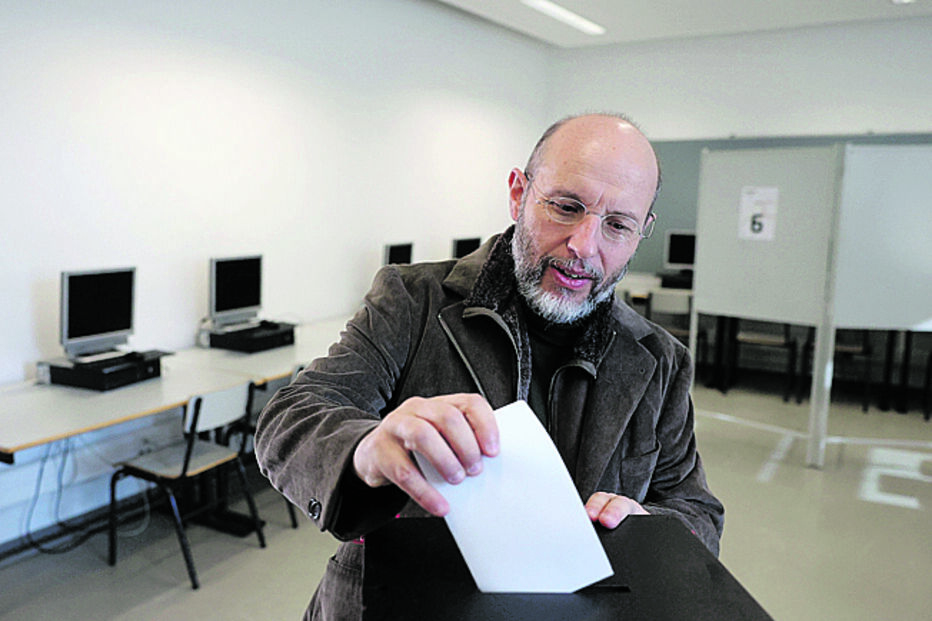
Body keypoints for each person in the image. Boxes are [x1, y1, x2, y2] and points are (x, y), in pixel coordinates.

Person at [255, 113, 724, 621]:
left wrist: (645, 528)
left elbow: (695, 509)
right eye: (566, 207)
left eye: (618, 225)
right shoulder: (412, 301)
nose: (585, 246)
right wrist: (366, 448)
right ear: (518, 194)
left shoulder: (660, 361)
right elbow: (292, 416)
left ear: (642, 232)